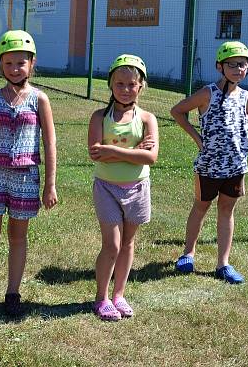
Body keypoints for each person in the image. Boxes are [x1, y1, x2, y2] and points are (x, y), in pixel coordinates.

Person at [0, 30, 57, 320]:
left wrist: (50, 184)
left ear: (32, 64)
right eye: (8, 63)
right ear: (0, 65)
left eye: (21, 63)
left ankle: (12, 294)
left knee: (18, 237)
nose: (15, 69)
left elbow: (50, 142)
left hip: (26, 180)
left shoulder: (40, 99)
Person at [171, 41, 248, 285]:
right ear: (220, 66)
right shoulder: (207, 93)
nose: (238, 69)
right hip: (209, 166)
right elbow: (177, 111)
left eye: (243, 64)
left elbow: (247, 116)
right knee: (201, 206)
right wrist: (197, 138)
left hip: (236, 166)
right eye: (232, 64)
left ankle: (223, 264)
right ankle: (188, 253)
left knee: (227, 210)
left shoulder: (246, 97)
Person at [88, 55, 158, 321]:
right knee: (112, 245)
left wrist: (112, 150)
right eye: (120, 83)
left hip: (138, 187)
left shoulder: (148, 119)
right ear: (110, 84)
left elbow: (150, 157)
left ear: (141, 86)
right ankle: (102, 297)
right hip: (106, 187)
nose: (125, 89)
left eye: (131, 84)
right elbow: (95, 154)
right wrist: (132, 152)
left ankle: (119, 294)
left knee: (128, 243)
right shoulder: (99, 117)